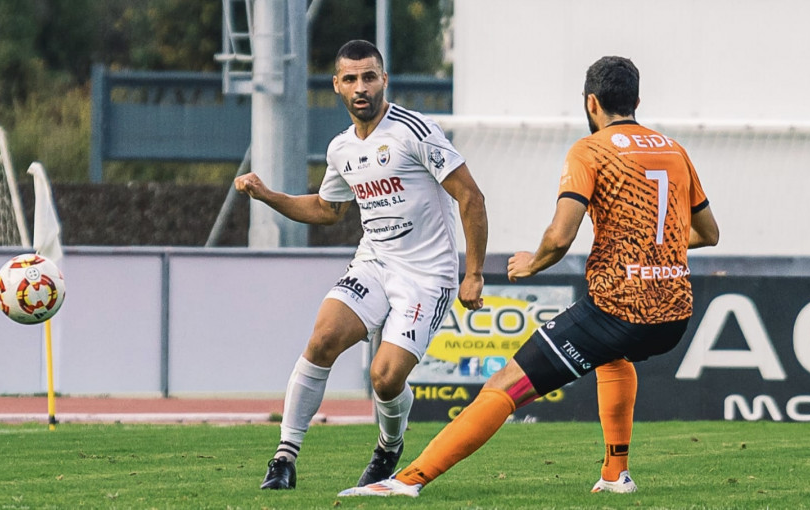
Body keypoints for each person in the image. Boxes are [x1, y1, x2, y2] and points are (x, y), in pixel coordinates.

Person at [339, 55, 719, 498]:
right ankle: (616, 474)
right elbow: (708, 233)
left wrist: (532, 263)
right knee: (614, 356)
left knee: (504, 386)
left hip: (619, 307)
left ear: (591, 102)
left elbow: (560, 236)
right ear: (637, 100)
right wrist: (653, 248)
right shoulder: (674, 150)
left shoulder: (589, 150)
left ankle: (406, 481)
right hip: (674, 314)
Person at [234, 39, 488, 490]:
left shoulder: (415, 131)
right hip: (374, 263)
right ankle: (283, 459)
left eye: (369, 76)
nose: (361, 87)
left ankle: (389, 447)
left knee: (385, 379)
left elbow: (471, 196)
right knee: (323, 338)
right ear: (336, 86)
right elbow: (328, 210)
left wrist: (473, 273)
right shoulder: (341, 149)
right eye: (350, 79)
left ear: (384, 79)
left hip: (427, 276)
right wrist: (268, 195)